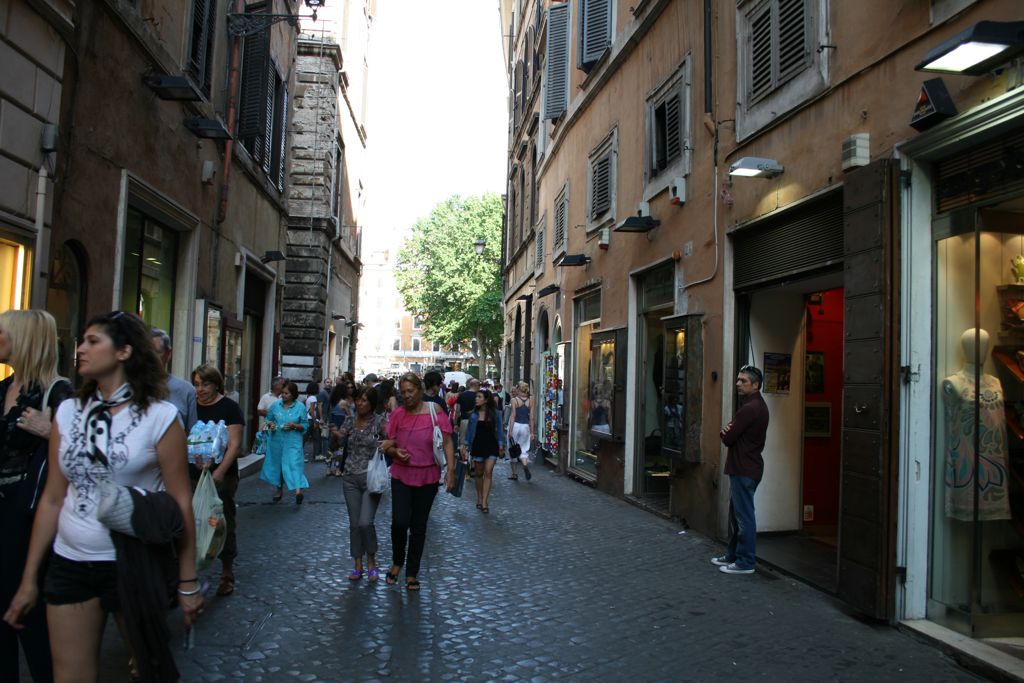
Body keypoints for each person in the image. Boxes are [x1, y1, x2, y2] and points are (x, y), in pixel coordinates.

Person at [4, 311, 201, 681]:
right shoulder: (67, 412)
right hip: (70, 563)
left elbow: (181, 501)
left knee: (150, 670)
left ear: (124, 351)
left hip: (134, 562)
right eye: (82, 340)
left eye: (93, 341)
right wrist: (30, 578)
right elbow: (52, 497)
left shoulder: (161, 417)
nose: (81, 349)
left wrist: (188, 582)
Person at [0, 310, 74, 682]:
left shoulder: (58, 393)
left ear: (24, 340)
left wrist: (51, 432)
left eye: (3, 332)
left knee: (27, 615)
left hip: (27, 517)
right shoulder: (4, 387)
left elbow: (83, 461)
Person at [380, 373, 455, 591]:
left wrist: (451, 471)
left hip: (428, 476)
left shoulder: (435, 411)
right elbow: (387, 443)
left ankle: (412, 572)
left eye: (410, 392)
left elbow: (448, 441)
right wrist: (395, 451)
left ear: (419, 391)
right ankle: (397, 561)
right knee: (399, 522)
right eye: (403, 392)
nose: (406, 396)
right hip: (402, 474)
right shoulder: (397, 415)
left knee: (419, 525)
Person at [192, 364, 244, 596]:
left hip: (222, 476)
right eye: (196, 384)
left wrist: (220, 471)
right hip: (193, 474)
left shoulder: (230, 408)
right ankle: (189, 572)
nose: (200, 389)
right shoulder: (191, 407)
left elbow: (234, 444)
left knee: (222, 521)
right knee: (191, 522)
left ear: (216, 384)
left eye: (205, 384)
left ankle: (226, 571)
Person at [713, 365, 770, 575]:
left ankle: (745, 562)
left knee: (744, 516)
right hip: (746, 467)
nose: (738, 383)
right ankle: (733, 555)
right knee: (737, 515)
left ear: (755, 385)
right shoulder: (754, 406)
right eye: (738, 379)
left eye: (743, 381)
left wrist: (727, 430)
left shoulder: (750, 408)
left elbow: (728, 437)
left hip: (744, 468)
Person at [336, 387, 387, 582]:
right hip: (350, 477)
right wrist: (334, 435)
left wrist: (387, 444)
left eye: (364, 400)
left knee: (366, 522)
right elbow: (340, 441)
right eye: (358, 399)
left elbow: (392, 439)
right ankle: (357, 564)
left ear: (372, 404)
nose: (360, 403)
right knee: (354, 524)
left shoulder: (379, 422)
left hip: (371, 478)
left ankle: (371, 560)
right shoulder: (349, 421)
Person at [260, 381, 310, 504]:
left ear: (293, 394)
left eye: (286, 393)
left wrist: (294, 425)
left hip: (293, 441)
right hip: (276, 441)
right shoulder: (275, 405)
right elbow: (267, 421)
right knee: (278, 466)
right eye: (282, 393)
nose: (283, 395)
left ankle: (298, 491)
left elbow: (305, 425)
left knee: (294, 464)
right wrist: (270, 425)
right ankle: (279, 490)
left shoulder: (300, 407)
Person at [462, 389, 505, 513]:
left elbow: (500, 430)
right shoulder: (473, 414)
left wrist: (501, 445)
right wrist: (465, 446)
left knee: (488, 471)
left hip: (492, 445)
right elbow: (469, 433)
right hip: (478, 445)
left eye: (479, 397)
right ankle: (479, 497)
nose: (476, 399)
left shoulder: (496, 414)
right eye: (476, 397)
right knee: (479, 474)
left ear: (486, 400)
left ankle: (485, 501)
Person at [150, 328, 198, 434]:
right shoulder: (129, 388)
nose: (150, 358)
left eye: (156, 352)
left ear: (168, 354)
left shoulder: (185, 391)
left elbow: (192, 438)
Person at [507, 381, 534, 481]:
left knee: (513, 448)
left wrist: (510, 431)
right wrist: (532, 432)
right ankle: (525, 464)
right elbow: (531, 417)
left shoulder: (514, 400)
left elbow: (513, 415)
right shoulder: (530, 400)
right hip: (525, 426)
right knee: (523, 449)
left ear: (519, 389)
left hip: (515, 425)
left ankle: (514, 473)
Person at [325, 382, 353, 476]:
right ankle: (337, 469)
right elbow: (349, 415)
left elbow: (328, 413)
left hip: (332, 425)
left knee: (331, 448)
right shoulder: (343, 402)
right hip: (341, 425)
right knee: (340, 449)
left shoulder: (332, 401)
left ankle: (328, 469)